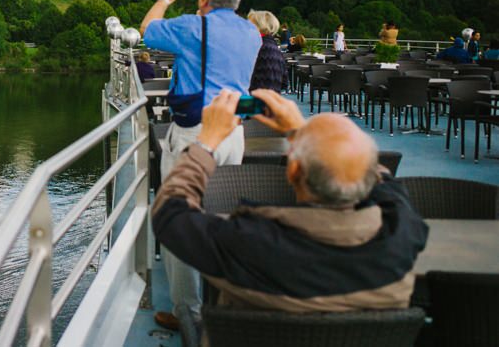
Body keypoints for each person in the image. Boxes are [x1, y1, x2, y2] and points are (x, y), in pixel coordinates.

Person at [153, 88, 429, 316]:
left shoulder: (249, 242)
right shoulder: (401, 233)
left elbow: (168, 213)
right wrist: (301, 132)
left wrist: (206, 143)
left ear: (293, 172)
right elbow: (386, 185)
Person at [140, 0, 261, 336]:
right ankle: (222, 306)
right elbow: (218, 25)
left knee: (181, 220)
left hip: (196, 133)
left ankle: (188, 314)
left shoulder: (193, 27)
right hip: (234, 132)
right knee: (218, 216)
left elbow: (148, 30)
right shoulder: (251, 32)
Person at [248, 10, 287, 92]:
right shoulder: (274, 47)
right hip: (270, 99)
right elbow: (284, 82)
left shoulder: (261, 48)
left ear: (259, 26)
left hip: (258, 101)